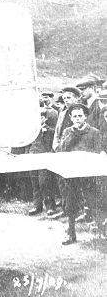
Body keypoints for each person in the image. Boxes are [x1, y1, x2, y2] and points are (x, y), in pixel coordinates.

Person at [58, 103, 101, 245]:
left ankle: (100, 231)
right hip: (72, 173)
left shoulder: (94, 132)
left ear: (85, 117)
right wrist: (73, 133)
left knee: (93, 200)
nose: (77, 119)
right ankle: (70, 232)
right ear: (70, 118)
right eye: (74, 116)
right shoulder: (67, 132)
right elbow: (62, 149)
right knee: (70, 203)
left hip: (89, 173)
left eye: (80, 116)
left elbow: (97, 150)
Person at [28, 108, 56, 216]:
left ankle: (50, 206)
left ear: (44, 118)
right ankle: (37, 206)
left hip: (44, 159)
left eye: (38, 118)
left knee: (44, 183)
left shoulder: (50, 131)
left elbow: (53, 146)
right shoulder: (30, 133)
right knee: (35, 183)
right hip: (32, 158)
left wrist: (48, 155)